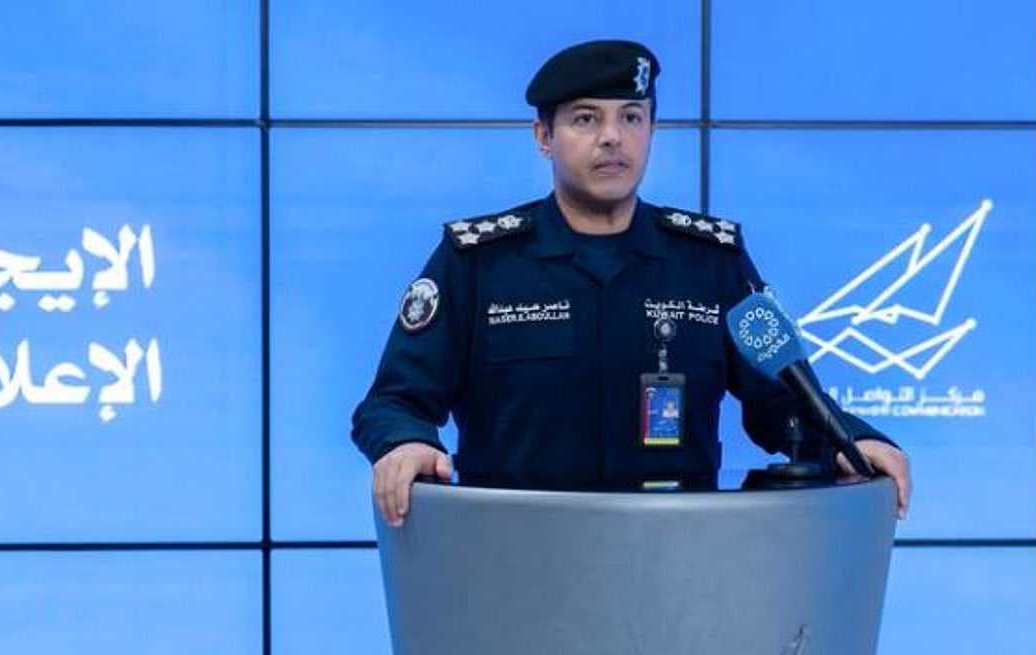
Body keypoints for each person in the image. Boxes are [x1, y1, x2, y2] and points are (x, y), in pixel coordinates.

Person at [352, 39, 911, 527]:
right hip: (515, 557)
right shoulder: (479, 263)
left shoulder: (710, 263)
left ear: (652, 130)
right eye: (586, 119)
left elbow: (783, 403)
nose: (612, 137)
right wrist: (405, 443)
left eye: (632, 117)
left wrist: (852, 438)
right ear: (543, 136)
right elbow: (394, 401)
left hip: (678, 561)